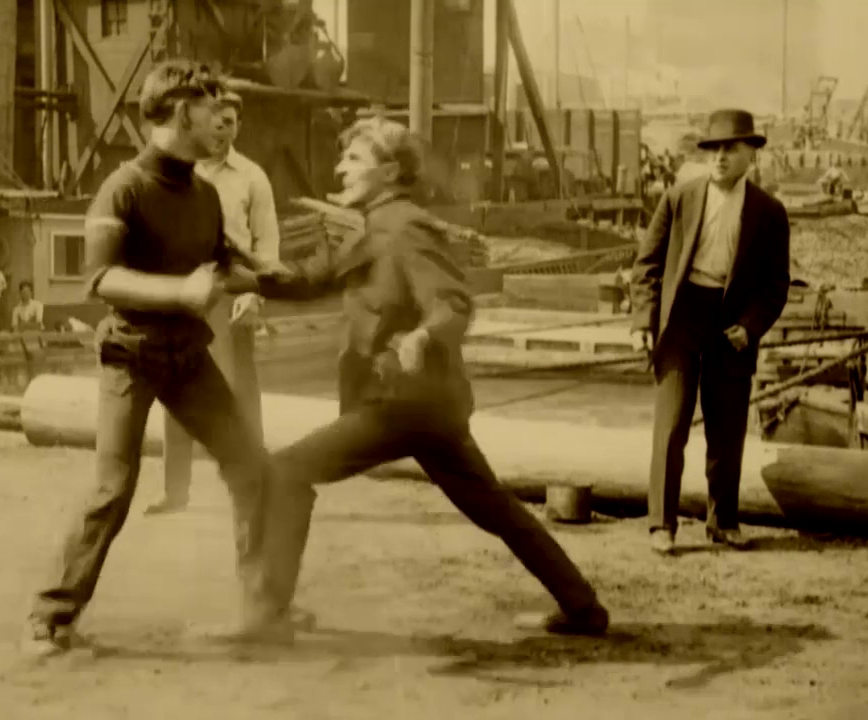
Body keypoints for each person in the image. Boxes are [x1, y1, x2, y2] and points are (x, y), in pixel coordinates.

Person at [253, 117, 611, 636]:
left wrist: (424, 335)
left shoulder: (405, 229)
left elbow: (453, 301)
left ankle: (269, 613)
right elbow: (311, 278)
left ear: (390, 172)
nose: (339, 168)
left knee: (286, 472)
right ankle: (584, 609)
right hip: (428, 407)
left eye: (354, 159)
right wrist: (243, 277)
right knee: (497, 509)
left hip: (400, 401)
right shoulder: (372, 227)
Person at [23, 60, 307, 657]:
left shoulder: (204, 193)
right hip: (131, 354)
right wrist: (180, 293)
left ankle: (260, 604)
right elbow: (100, 279)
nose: (222, 121)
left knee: (251, 467)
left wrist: (282, 278)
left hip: (188, 356)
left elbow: (226, 263)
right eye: (211, 109)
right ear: (182, 113)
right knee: (114, 488)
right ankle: (50, 616)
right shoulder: (123, 188)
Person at [629, 109, 790, 555]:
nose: (720, 157)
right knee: (672, 424)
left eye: (730, 149)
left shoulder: (769, 212)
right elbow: (646, 266)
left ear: (751, 154)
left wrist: (751, 327)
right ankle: (662, 524)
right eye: (713, 149)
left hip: (731, 325)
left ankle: (723, 522)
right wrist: (643, 323)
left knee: (727, 429)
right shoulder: (679, 197)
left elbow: (776, 284)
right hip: (681, 319)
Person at [149, 90, 286, 515]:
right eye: (216, 120)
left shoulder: (252, 178)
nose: (222, 128)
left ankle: (255, 488)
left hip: (232, 294)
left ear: (239, 126)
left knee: (240, 394)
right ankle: (176, 491)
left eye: (230, 121)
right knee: (176, 387)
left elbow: (267, 245)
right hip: (183, 292)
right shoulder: (177, 172)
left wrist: (254, 295)